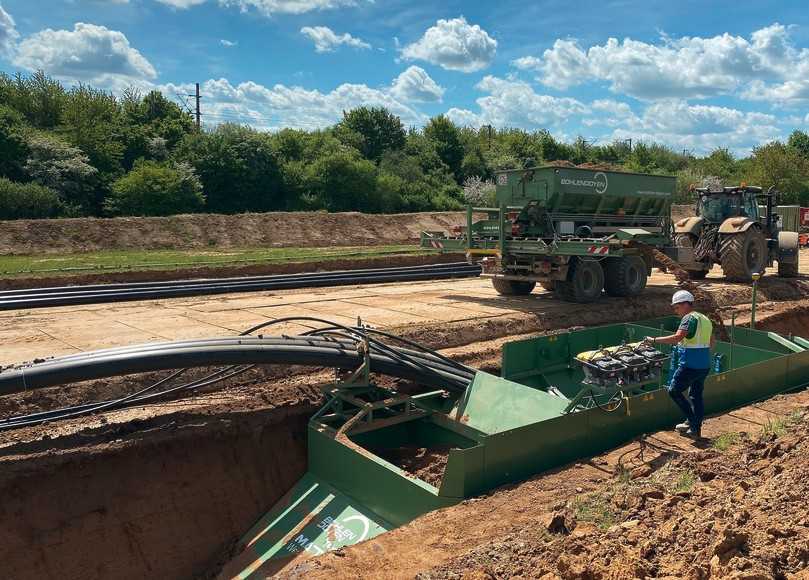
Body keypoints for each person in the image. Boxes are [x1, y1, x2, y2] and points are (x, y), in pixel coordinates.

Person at [647, 290, 715, 438]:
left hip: (689, 365)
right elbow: (711, 342)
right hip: (704, 365)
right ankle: (693, 426)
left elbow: (678, 337)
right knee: (696, 395)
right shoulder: (705, 319)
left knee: (674, 391)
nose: (676, 311)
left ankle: (693, 423)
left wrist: (654, 340)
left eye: (677, 307)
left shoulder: (688, 318)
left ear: (685, 304)